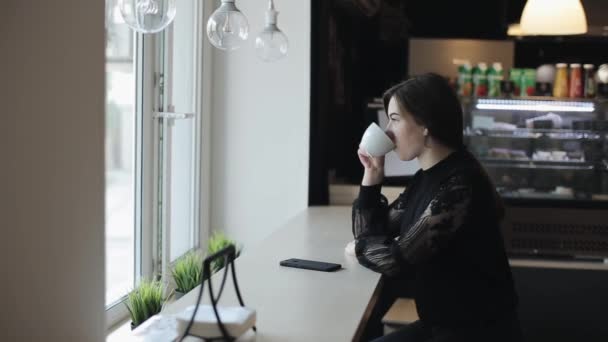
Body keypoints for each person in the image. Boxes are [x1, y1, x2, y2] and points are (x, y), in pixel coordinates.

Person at [352, 73, 523, 342]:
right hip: (439, 327)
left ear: (426, 124)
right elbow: (379, 227)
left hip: (476, 334)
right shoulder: (426, 176)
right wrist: (372, 177)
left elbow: (396, 260)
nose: (386, 132)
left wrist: (361, 247)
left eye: (394, 120)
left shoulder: (460, 185)